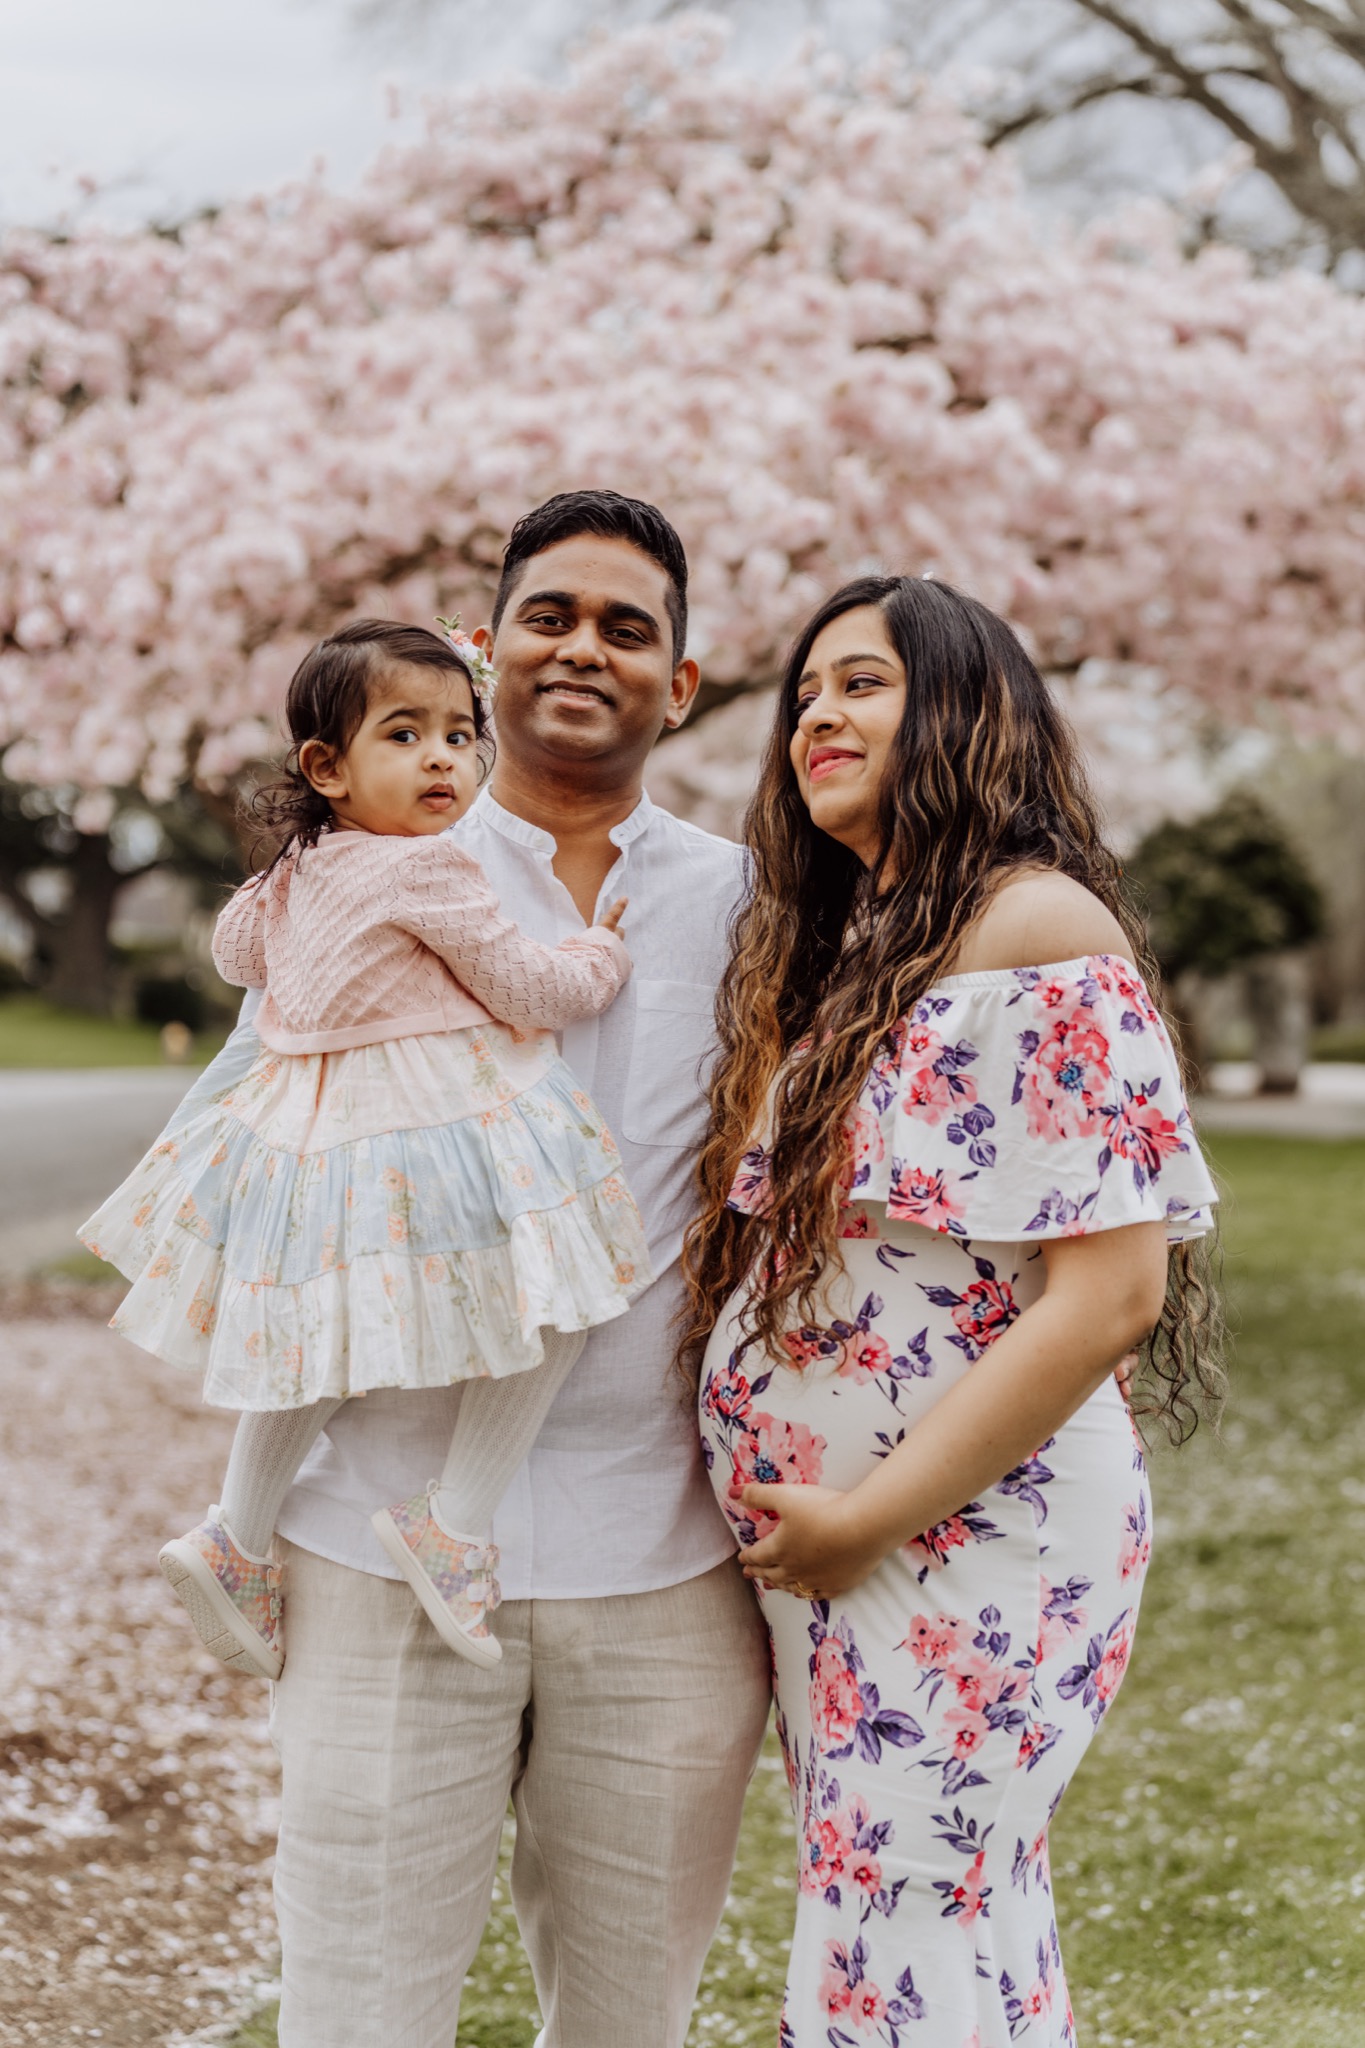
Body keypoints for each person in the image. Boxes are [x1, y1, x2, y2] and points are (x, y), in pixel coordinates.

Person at [156, 494, 771, 2048]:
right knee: (357, 2019)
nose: (586, 649)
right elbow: (264, 1123)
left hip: (664, 1563)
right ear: (490, 651)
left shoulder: (747, 899)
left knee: (633, 2024)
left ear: (679, 683)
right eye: (552, 615)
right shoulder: (368, 859)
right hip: (376, 1544)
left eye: (629, 628)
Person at [683, 573, 1223, 2046]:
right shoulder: (867, 943)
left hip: (967, 1535)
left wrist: (868, 1515)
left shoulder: (1034, 926)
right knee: (932, 1914)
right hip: (862, 1548)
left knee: (904, 1913)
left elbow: (1108, 1298)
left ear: (969, 713)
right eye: (804, 694)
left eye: (862, 683)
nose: (818, 717)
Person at [81, 618, 650, 1674]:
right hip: (431, 1119)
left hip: (305, 1136)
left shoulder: (300, 871)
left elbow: (233, 948)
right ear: (327, 767)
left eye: (458, 732)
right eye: (406, 734)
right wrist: (599, 948)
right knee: (565, 1295)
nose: (444, 757)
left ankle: (237, 1530)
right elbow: (532, 992)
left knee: (322, 1333)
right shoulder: (431, 872)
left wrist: (300, 882)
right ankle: (457, 1519)